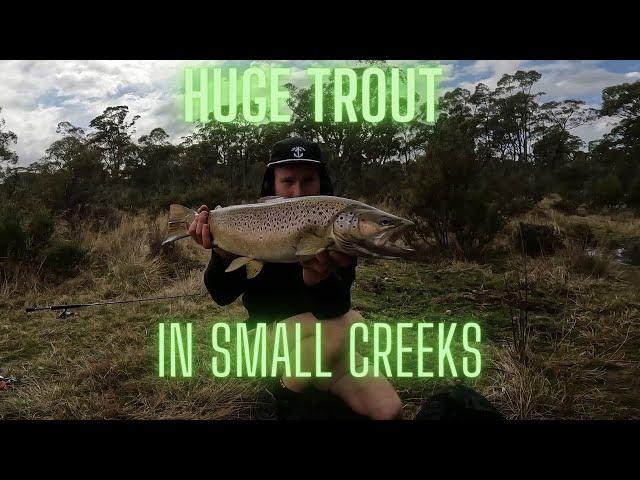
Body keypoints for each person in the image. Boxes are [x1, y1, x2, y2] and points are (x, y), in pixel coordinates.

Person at [188, 137, 402, 420]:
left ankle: (300, 381)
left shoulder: (341, 238)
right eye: (287, 181)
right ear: (272, 185)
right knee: (350, 323)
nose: (297, 191)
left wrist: (317, 277)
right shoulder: (251, 225)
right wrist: (223, 257)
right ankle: (282, 393)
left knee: (389, 410)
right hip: (267, 341)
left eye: (308, 181)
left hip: (323, 344)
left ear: (321, 183)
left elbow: (332, 308)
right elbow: (222, 296)